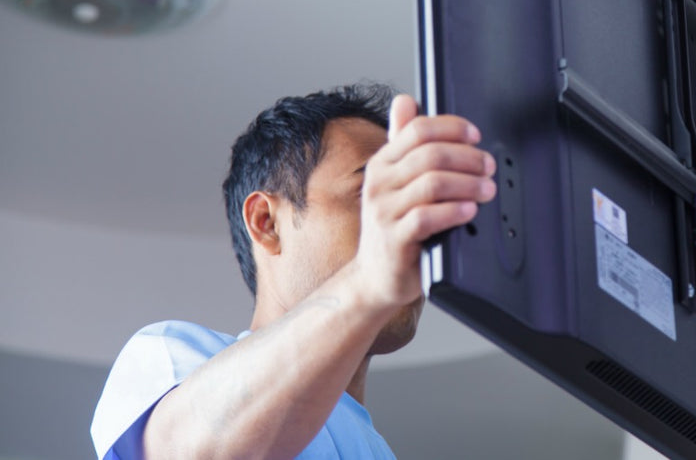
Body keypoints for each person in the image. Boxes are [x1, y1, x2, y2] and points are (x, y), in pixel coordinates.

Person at [90, 84, 497, 459]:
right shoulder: (167, 359)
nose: (409, 225)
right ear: (266, 222)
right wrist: (370, 279)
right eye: (369, 194)